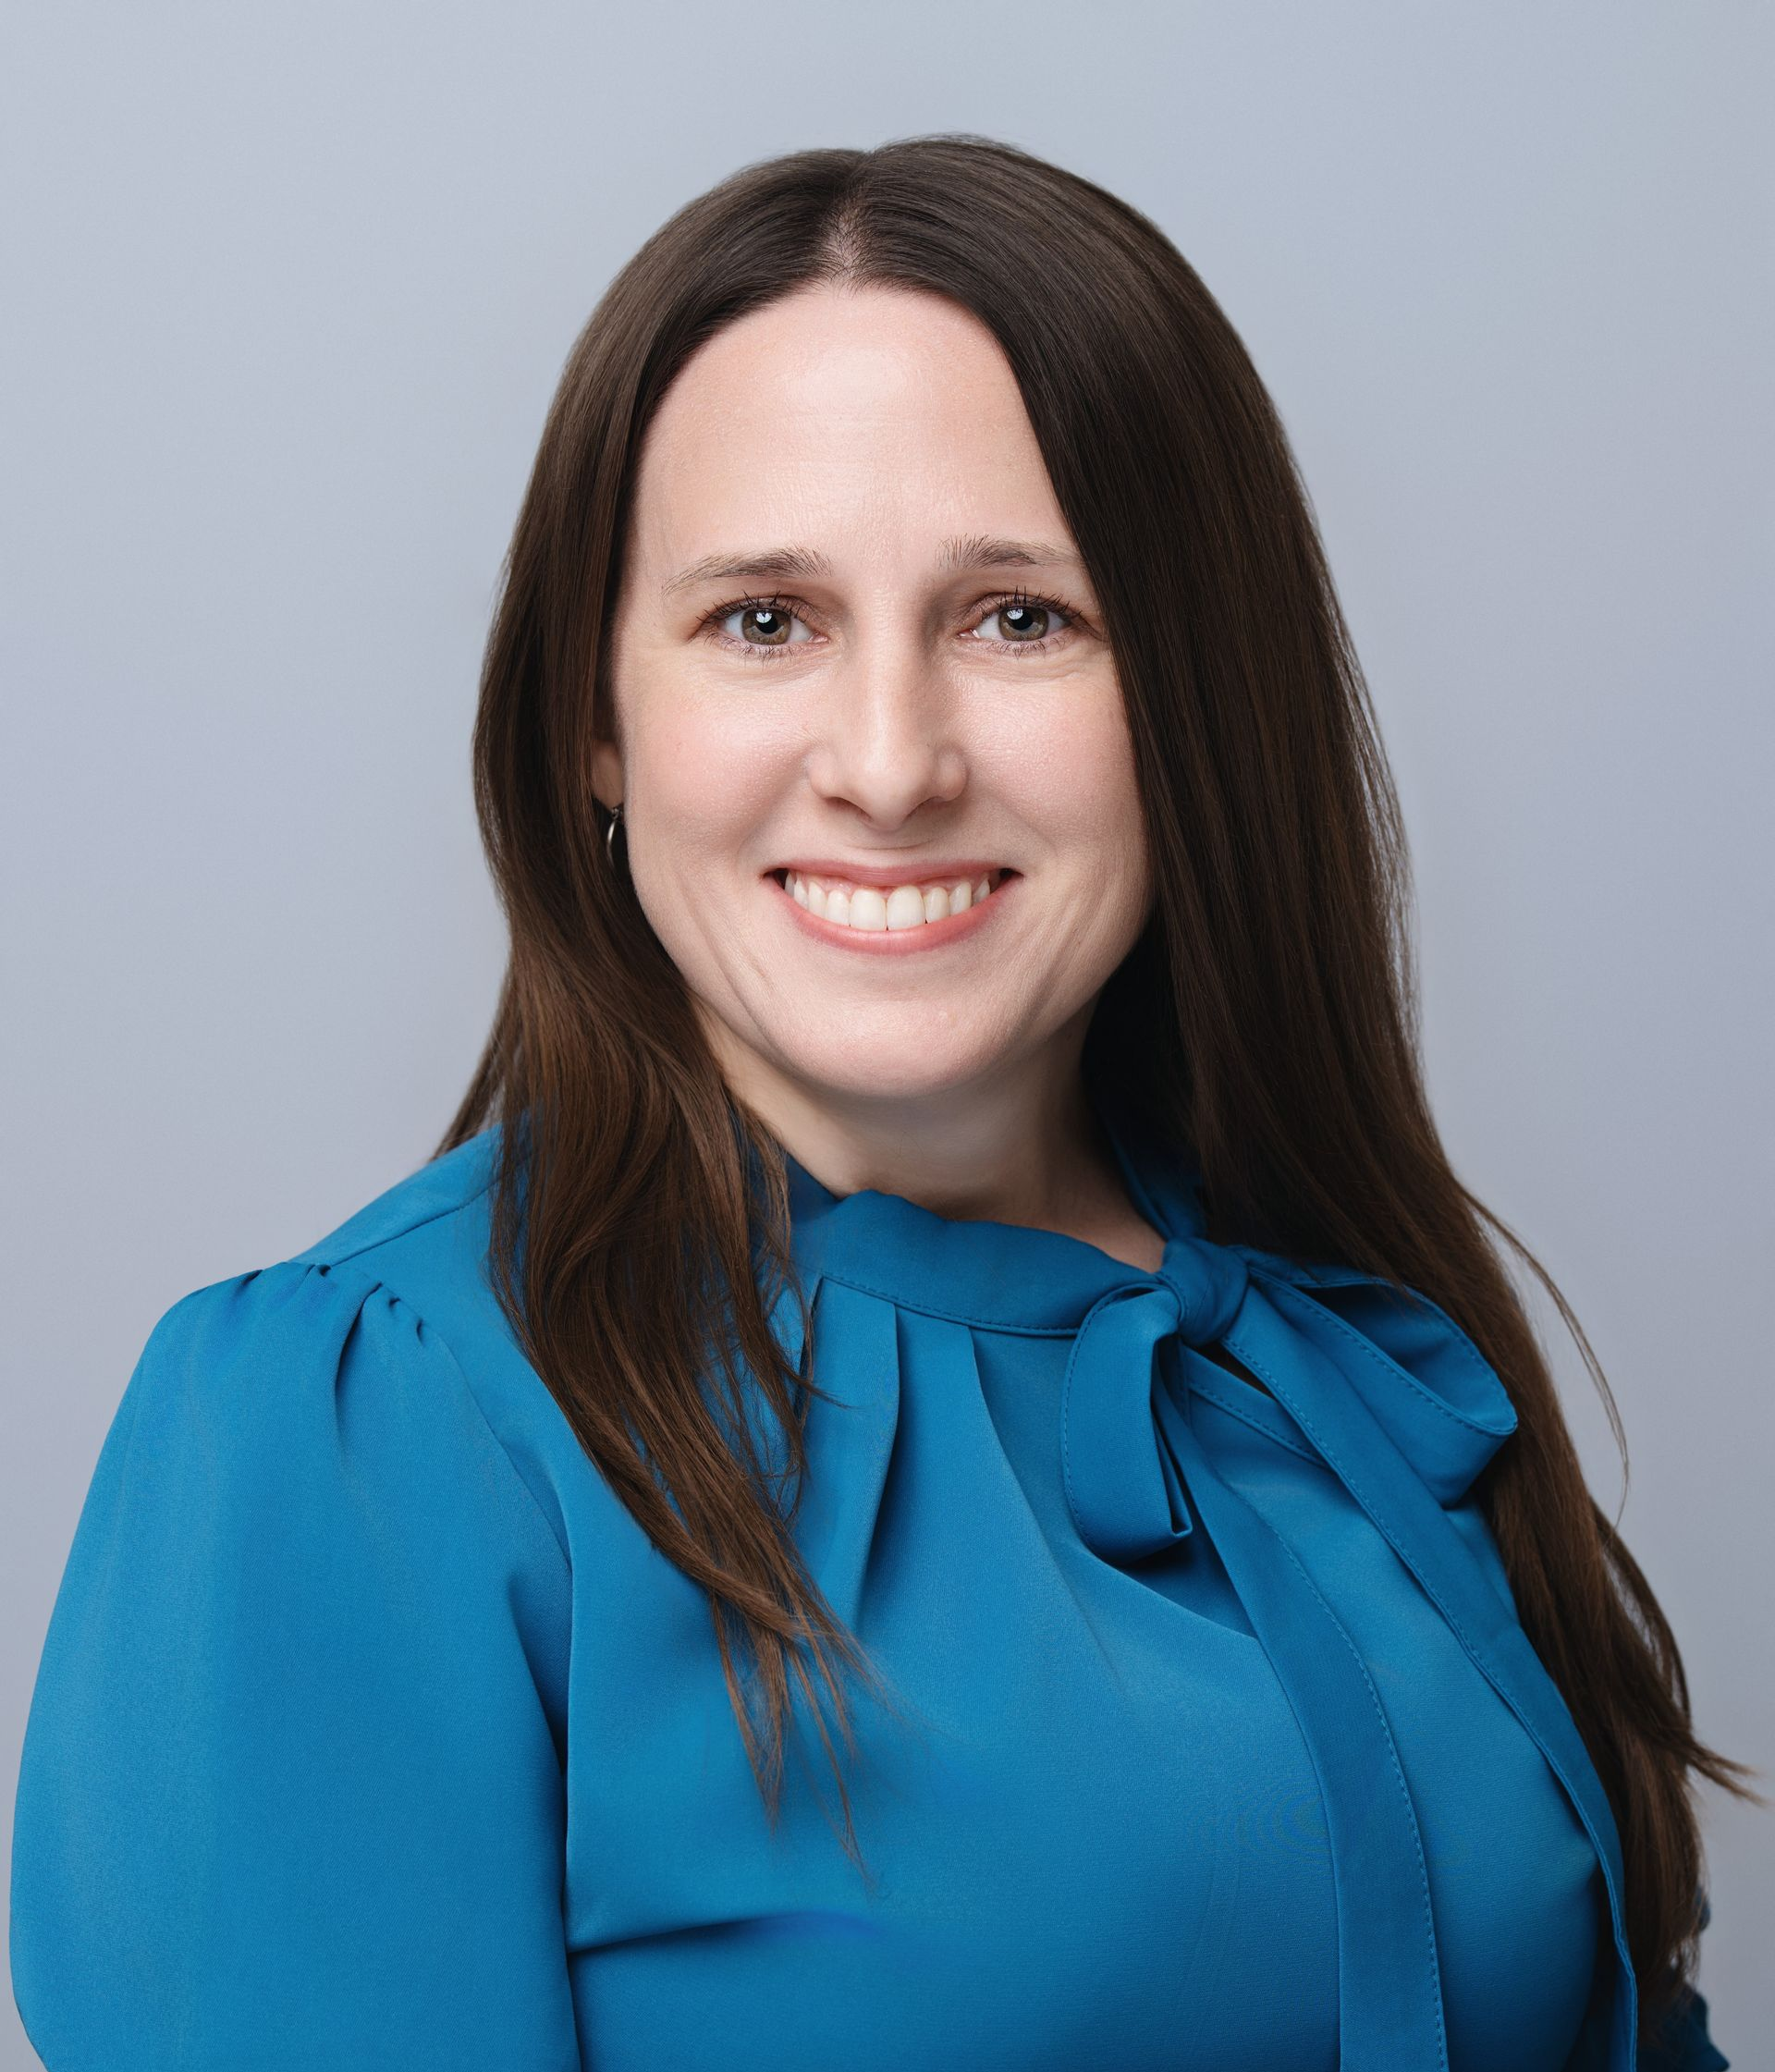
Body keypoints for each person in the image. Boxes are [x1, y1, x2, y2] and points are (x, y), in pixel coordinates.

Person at [9, 135, 1752, 2071]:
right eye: (765, 619)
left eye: (1022, 616)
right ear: (597, 722)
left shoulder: (1336, 1344)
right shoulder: (368, 1433)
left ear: (1196, 697)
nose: (892, 763)